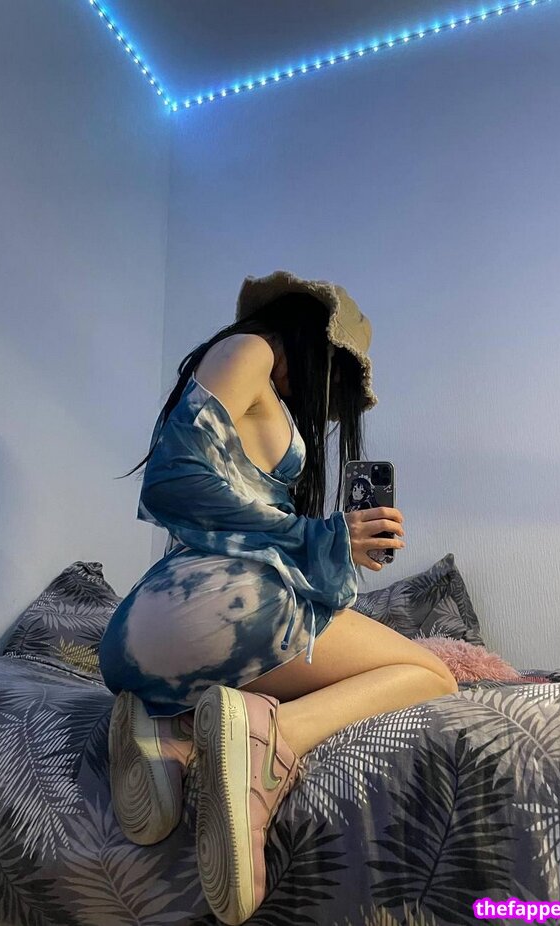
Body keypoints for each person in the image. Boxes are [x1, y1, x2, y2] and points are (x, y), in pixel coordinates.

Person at [98, 269, 459, 926]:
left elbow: (228, 509)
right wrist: (321, 535)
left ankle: (172, 730)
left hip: (144, 629)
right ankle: (271, 737)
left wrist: (340, 544)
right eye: (333, 376)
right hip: (217, 605)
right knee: (433, 674)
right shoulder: (253, 350)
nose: (321, 399)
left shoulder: (247, 377)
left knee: (353, 654)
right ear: (317, 342)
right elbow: (172, 480)